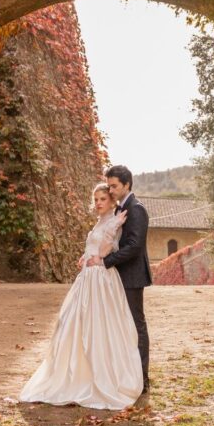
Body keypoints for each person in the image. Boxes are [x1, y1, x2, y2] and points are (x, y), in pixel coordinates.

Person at [18, 183, 143, 410]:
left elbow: (108, 250)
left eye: (103, 199)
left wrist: (100, 251)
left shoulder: (115, 221)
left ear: (112, 200)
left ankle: (100, 377)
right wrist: (85, 257)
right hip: (88, 277)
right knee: (71, 322)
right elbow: (93, 248)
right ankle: (74, 373)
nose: (98, 203)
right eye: (95, 199)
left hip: (101, 279)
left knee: (98, 326)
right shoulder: (100, 221)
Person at [86, 165, 151, 391]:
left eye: (114, 186)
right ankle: (124, 374)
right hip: (116, 277)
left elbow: (134, 246)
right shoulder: (119, 210)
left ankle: (142, 379)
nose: (111, 190)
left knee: (136, 326)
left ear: (127, 185)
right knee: (121, 327)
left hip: (132, 276)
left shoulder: (137, 209)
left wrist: (105, 262)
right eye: (109, 185)